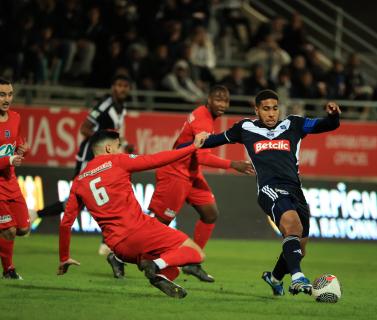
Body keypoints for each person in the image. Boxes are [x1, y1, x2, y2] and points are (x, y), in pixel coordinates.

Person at [183, 89, 341, 296]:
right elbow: (214, 140)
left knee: (299, 249)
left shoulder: (293, 124)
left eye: (275, 108)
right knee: (292, 225)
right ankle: (298, 278)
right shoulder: (245, 128)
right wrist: (183, 146)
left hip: (295, 190)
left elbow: (328, 125)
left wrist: (334, 115)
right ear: (256, 110)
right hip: (269, 189)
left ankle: (274, 278)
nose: (271, 114)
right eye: (266, 109)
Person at [58, 130, 210, 298]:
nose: (120, 150)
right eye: (118, 146)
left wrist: (64, 257)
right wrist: (192, 146)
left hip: (118, 248)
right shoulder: (117, 161)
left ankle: (155, 270)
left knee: (172, 269)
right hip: (140, 230)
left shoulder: (79, 181)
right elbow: (155, 160)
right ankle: (154, 264)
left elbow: (66, 223)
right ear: (109, 148)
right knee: (195, 253)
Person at [147, 85, 254, 282]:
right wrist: (233, 164)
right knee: (160, 224)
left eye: (225, 100)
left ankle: (192, 262)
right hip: (175, 173)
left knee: (210, 213)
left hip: (191, 174)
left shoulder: (206, 116)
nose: (222, 104)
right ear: (209, 99)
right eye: (218, 99)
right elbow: (202, 155)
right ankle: (121, 255)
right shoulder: (203, 119)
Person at [35, 74, 131, 219]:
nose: (122, 89)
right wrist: (102, 141)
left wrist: (124, 144)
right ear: (112, 87)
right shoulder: (105, 105)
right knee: (77, 200)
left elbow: (112, 133)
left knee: (108, 194)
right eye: (119, 85)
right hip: (90, 155)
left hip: (104, 158)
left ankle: (107, 240)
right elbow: (84, 129)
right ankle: (36, 215)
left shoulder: (122, 108)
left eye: (125, 86)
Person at [0, 78, 30, 280]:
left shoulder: (16, 117)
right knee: (8, 230)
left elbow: (18, 143)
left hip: (11, 182)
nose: (7, 99)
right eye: (2, 94)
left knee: (22, 229)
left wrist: (22, 150)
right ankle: (8, 270)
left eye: (9, 94)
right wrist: (9, 158)